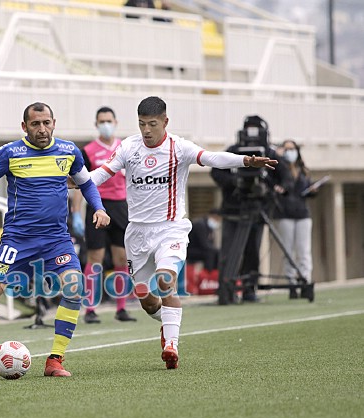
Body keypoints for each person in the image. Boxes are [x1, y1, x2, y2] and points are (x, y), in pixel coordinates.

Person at [89, 96, 277, 369]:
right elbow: (103, 173)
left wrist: (245, 161)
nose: (147, 130)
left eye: (152, 124)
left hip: (171, 229)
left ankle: (171, 345)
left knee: (166, 281)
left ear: (165, 121)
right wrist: (77, 183)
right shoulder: (128, 147)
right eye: (142, 124)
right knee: (146, 299)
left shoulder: (179, 147)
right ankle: (166, 323)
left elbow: (212, 157)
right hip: (138, 233)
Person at [0, 102, 110, 377]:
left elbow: (86, 183)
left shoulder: (69, 151)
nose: (42, 129)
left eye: (46, 123)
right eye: (35, 124)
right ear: (24, 127)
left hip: (56, 239)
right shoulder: (9, 153)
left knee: (75, 288)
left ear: (54, 123)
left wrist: (99, 208)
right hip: (17, 240)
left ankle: (55, 360)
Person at [211, 115, 290, 304]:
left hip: (257, 210)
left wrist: (277, 188)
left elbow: (285, 175)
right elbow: (216, 170)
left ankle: (249, 289)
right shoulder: (233, 152)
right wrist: (234, 182)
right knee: (229, 252)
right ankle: (226, 291)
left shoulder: (270, 154)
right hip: (233, 210)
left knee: (252, 252)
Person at [71, 106, 135, 323]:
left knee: (121, 258)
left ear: (115, 122)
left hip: (121, 208)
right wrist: (76, 213)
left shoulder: (126, 147)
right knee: (95, 258)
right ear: (96, 124)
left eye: (109, 120)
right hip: (97, 207)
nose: (105, 124)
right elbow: (81, 182)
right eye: (101, 121)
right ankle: (90, 309)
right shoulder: (87, 151)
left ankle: (121, 308)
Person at [273, 140, 317, 299]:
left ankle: (305, 281)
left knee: (304, 251)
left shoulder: (303, 170)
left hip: (302, 214)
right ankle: (291, 284)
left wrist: (313, 190)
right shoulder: (280, 169)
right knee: (288, 251)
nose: (290, 152)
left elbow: (307, 189)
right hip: (285, 213)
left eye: (292, 149)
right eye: (287, 149)